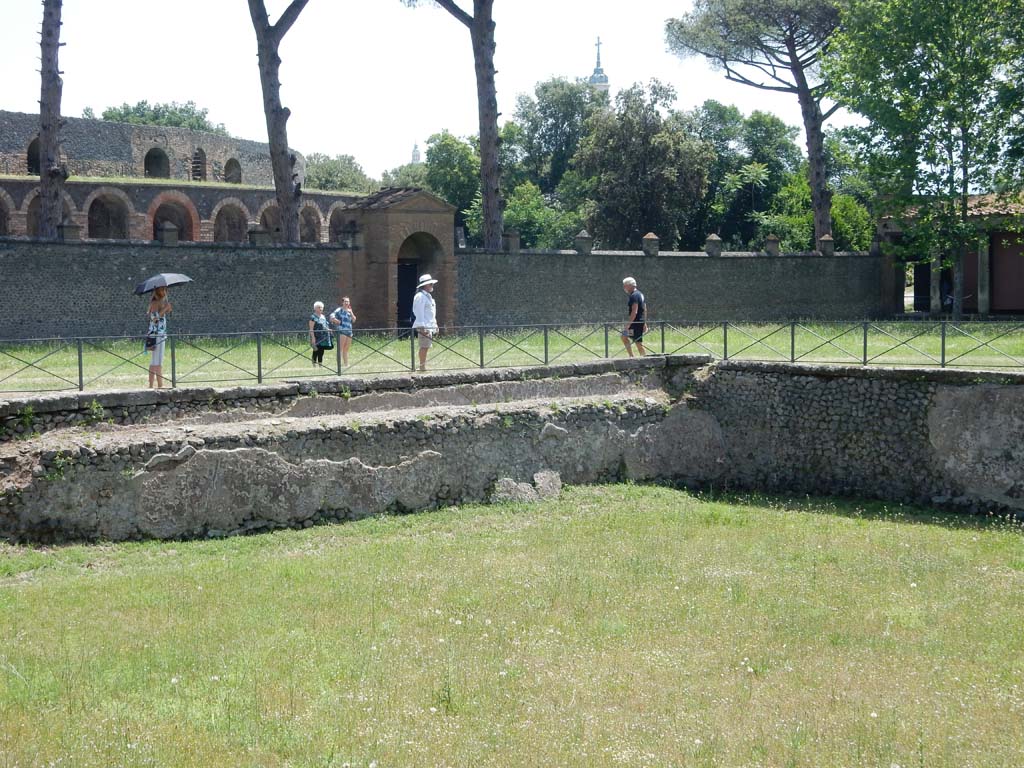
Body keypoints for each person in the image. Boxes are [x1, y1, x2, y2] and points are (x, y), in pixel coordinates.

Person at [145, 286, 172, 388]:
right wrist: (165, 309)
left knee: (154, 361)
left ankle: (151, 385)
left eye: (165, 289)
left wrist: (166, 309)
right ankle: (160, 385)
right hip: (158, 335)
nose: (165, 291)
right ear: (157, 291)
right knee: (158, 361)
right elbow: (154, 319)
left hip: (155, 334)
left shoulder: (158, 303)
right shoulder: (155, 303)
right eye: (162, 289)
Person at [411, 273, 439, 372]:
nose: (432, 285)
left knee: (426, 346)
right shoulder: (420, 296)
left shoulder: (428, 296)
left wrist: (435, 325)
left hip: (428, 325)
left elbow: (431, 312)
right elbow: (419, 312)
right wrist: (422, 326)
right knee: (424, 346)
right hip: (424, 326)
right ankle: (422, 366)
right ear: (425, 285)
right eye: (430, 284)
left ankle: (423, 365)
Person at [620, 276, 647, 357]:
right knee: (625, 336)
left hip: (635, 323)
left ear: (630, 285)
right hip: (639, 322)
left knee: (637, 342)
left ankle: (642, 358)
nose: (624, 287)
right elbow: (645, 309)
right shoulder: (640, 294)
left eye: (625, 285)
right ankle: (633, 356)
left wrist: (628, 325)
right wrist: (644, 323)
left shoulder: (634, 296)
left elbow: (634, 311)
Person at [329, 296, 357, 367]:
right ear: (342, 302)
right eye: (345, 301)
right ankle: (339, 366)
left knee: (346, 349)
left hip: (349, 331)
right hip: (342, 331)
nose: (347, 303)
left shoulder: (349, 311)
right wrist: (335, 320)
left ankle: (346, 364)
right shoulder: (339, 310)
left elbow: (354, 320)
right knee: (340, 349)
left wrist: (351, 313)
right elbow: (332, 315)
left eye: (348, 301)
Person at [308, 301, 333, 367]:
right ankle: (314, 364)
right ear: (315, 308)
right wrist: (313, 338)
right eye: (319, 307)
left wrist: (328, 330)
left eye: (321, 307)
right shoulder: (313, 317)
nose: (320, 309)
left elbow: (324, 326)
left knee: (321, 351)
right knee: (316, 350)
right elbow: (311, 329)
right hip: (316, 336)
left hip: (323, 337)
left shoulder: (323, 316)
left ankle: (320, 364)